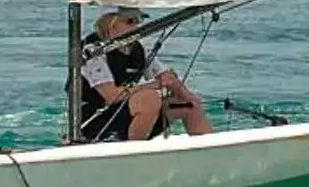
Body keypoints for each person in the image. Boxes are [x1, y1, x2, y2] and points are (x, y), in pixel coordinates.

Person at [78, 8, 213, 142]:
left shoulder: (138, 48)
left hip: (127, 114)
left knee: (189, 104)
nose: (137, 26)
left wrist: (189, 98)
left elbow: (166, 77)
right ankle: (133, 153)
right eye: (131, 21)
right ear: (111, 25)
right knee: (150, 98)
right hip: (97, 120)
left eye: (139, 21)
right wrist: (156, 85)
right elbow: (111, 96)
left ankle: (210, 152)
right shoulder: (92, 51)